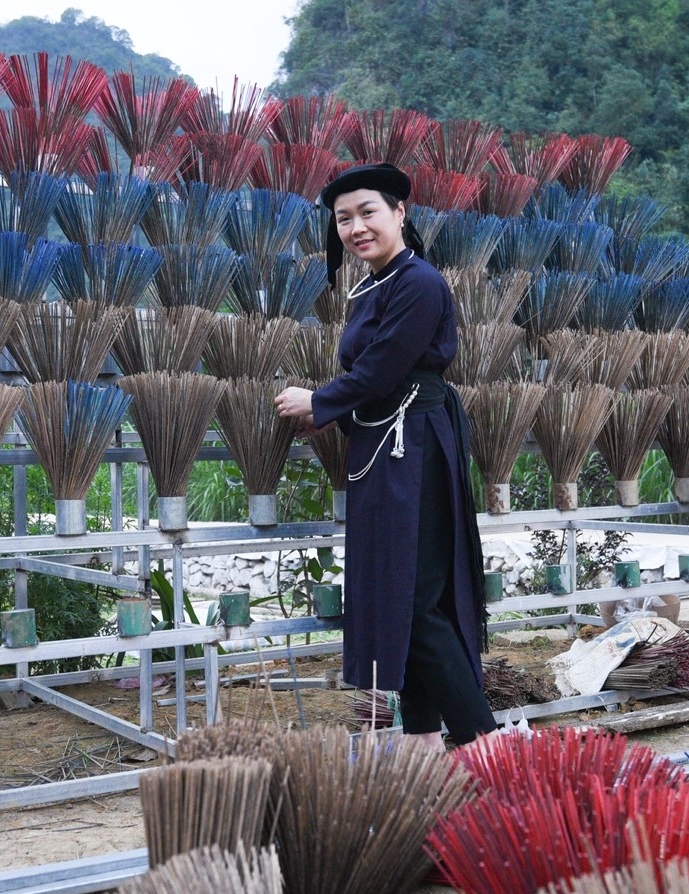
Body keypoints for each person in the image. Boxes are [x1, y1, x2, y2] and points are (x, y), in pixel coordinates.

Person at [274, 163, 496, 749]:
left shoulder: (419, 283)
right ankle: (422, 742)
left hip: (413, 445)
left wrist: (319, 401)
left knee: (419, 602)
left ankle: (486, 747)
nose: (356, 227)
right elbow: (371, 380)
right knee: (404, 600)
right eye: (344, 219)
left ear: (400, 213)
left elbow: (380, 370)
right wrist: (329, 415)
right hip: (383, 443)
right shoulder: (372, 285)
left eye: (368, 212)